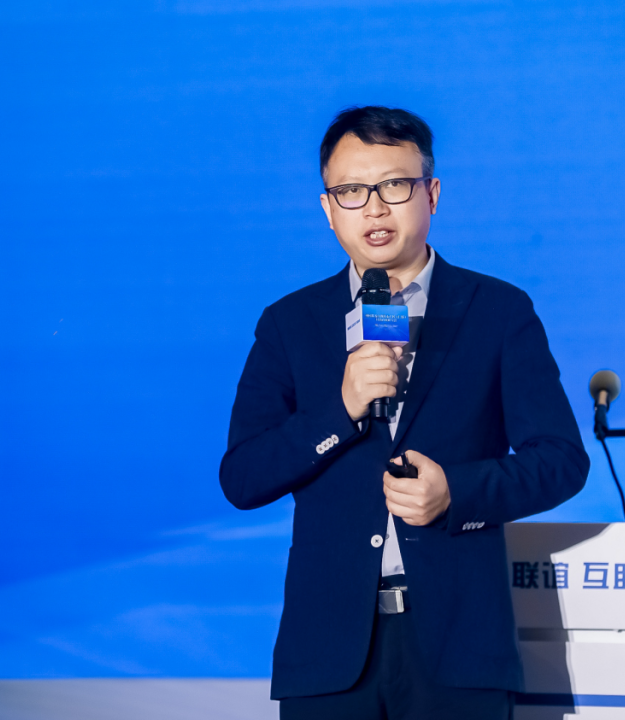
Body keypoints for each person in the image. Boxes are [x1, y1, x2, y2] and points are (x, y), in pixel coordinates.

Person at [219, 106, 589, 720]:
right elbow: (243, 477)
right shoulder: (290, 324)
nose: (374, 208)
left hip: (460, 650)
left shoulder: (497, 311)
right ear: (328, 208)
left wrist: (456, 493)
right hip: (328, 657)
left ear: (431, 193)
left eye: (394, 185)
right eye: (351, 191)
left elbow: (561, 461)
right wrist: (340, 410)